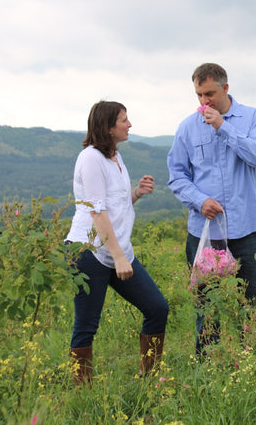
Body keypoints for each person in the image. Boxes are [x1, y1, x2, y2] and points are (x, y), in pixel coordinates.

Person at [167, 63, 256, 354]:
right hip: (203, 231)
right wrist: (200, 200)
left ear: (225, 88)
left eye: (210, 94)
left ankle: (254, 365)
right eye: (199, 95)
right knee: (206, 307)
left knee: (253, 304)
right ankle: (209, 369)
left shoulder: (251, 117)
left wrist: (223, 127)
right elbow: (176, 176)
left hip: (245, 229)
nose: (204, 102)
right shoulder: (187, 127)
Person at [66, 100, 169, 386]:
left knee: (157, 308)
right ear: (108, 127)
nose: (129, 124)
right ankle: (82, 393)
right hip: (88, 252)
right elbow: (96, 211)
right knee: (86, 326)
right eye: (124, 120)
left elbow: (115, 205)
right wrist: (119, 258)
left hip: (117, 250)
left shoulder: (115, 157)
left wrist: (135, 192)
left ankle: (148, 383)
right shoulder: (90, 159)